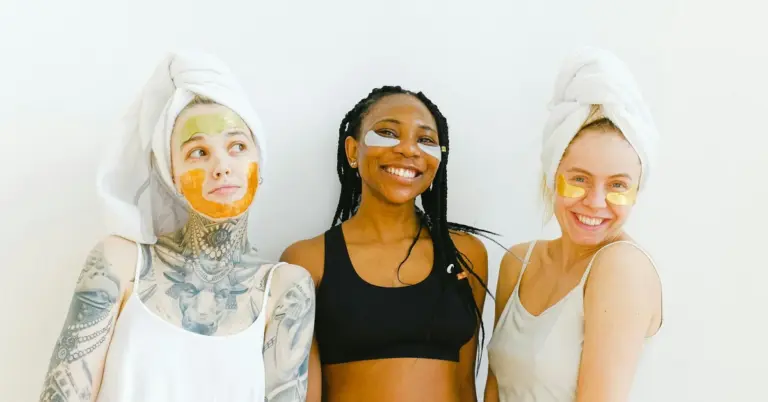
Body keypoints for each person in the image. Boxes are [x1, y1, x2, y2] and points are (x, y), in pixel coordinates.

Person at [38, 50, 315, 402]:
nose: (221, 166)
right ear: (173, 177)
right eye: (198, 152)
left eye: (237, 146)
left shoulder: (287, 288)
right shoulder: (120, 263)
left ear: (259, 163)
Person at [281, 86, 491, 402]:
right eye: (388, 133)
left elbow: (465, 386)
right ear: (352, 151)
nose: (409, 149)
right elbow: (299, 393)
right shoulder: (308, 260)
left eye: (425, 139)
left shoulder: (465, 254)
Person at [484, 47, 664, 402]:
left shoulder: (620, 268)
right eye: (579, 179)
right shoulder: (517, 263)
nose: (596, 203)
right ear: (553, 177)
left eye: (617, 185)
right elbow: (496, 389)